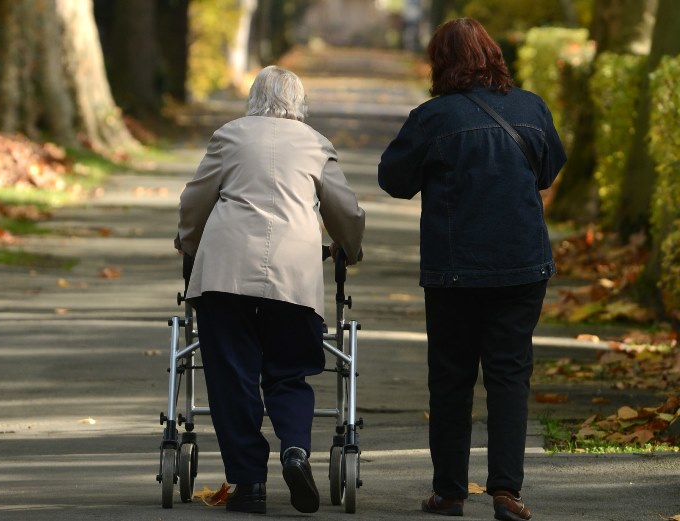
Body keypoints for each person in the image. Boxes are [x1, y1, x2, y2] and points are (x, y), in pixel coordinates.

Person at [377, 18, 566, 521]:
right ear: (495, 55)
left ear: (441, 64)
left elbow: (392, 179)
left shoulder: (433, 118)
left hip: (454, 272)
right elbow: (548, 169)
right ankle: (506, 493)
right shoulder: (531, 108)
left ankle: (450, 494)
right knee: (509, 376)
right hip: (523, 266)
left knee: (452, 379)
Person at [175, 65, 365, 515]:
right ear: (299, 103)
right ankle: (295, 451)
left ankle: (249, 484)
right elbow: (345, 211)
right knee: (289, 371)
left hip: (225, 274)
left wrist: (187, 240)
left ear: (253, 97)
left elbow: (195, 200)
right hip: (294, 276)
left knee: (231, 377)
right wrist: (349, 249)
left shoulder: (231, 136)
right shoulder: (316, 144)